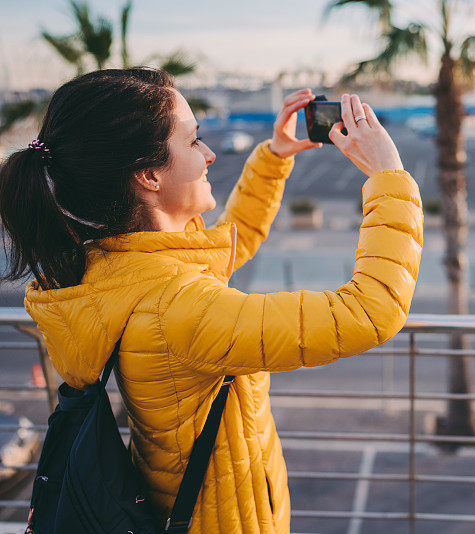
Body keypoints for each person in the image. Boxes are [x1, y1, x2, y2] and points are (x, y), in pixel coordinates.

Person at [0, 68, 423, 533]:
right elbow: (369, 311)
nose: (210, 154)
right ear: (149, 175)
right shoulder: (177, 308)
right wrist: (390, 177)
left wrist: (274, 157)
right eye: (194, 141)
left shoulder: (115, 265)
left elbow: (221, 250)